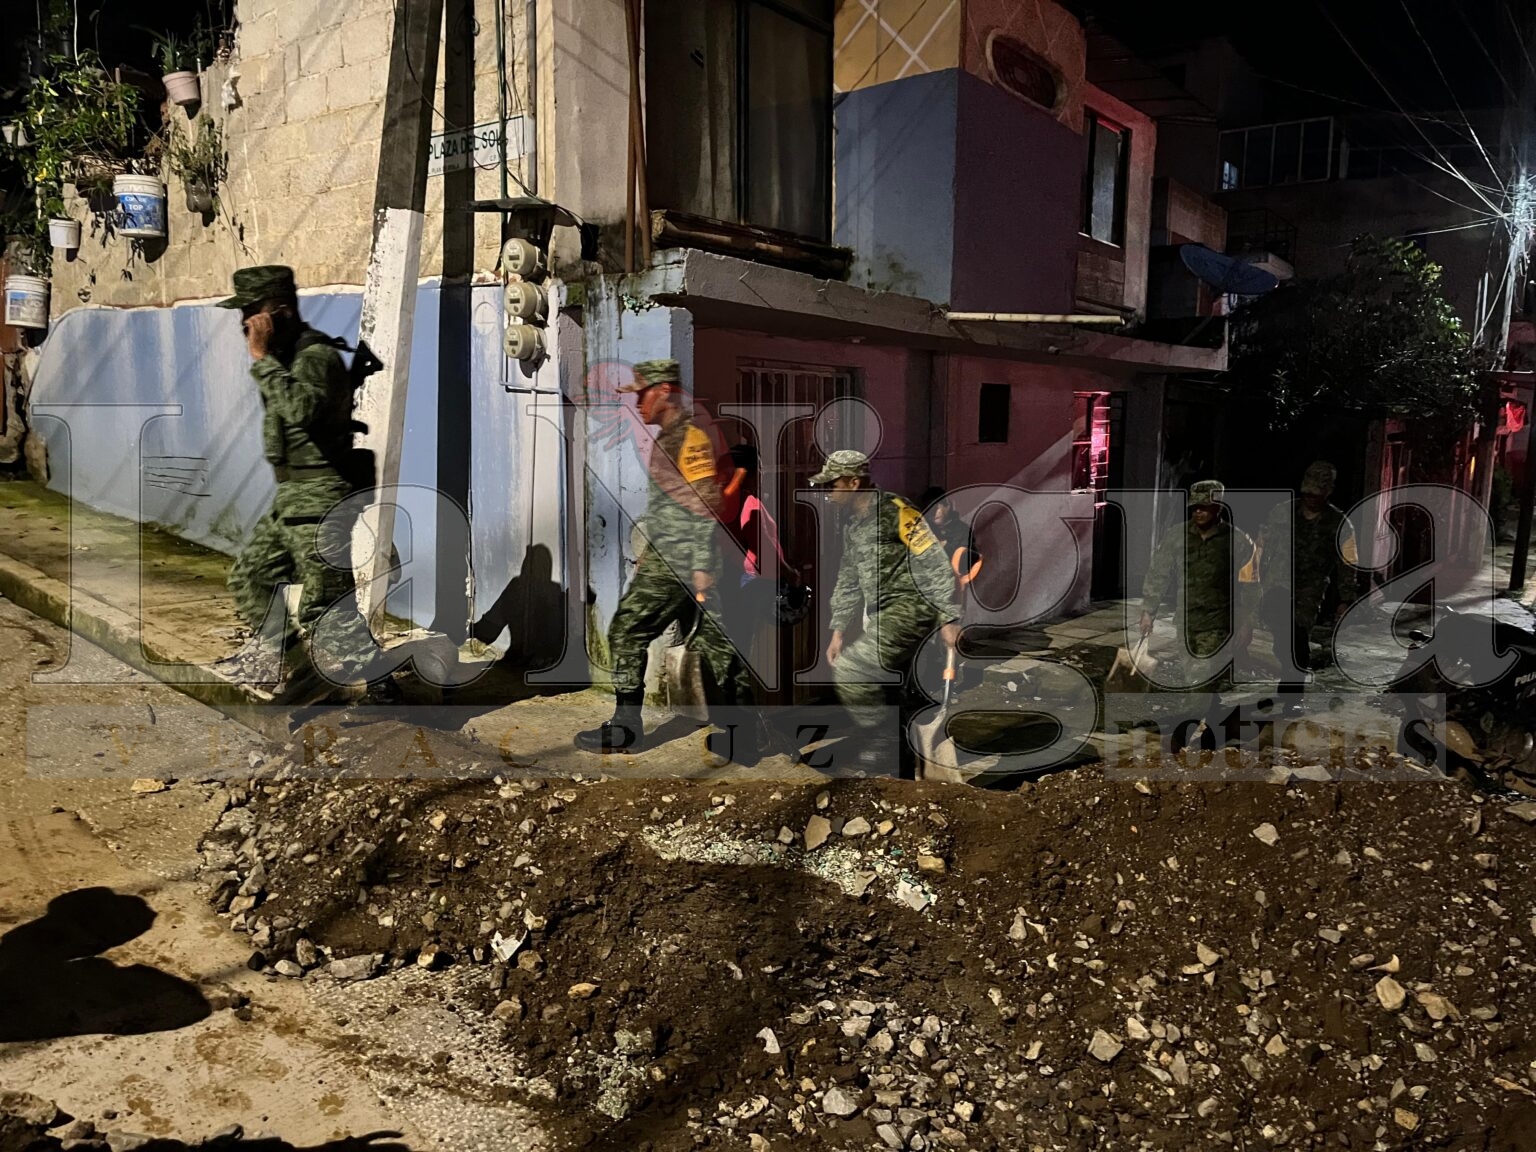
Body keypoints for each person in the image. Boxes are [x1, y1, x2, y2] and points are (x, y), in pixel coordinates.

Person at [575, 359, 764, 762]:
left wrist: (697, 568)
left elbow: (703, 504)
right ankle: (745, 736)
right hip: (676, 556)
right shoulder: (675, 436)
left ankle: (626, 727)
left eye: (641, 394)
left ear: (662, 392)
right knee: (718, 647)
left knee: (627, 631)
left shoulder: (689, 438)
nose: (638, 403)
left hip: (681, 560)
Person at [220, 265, 390, 705]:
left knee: (326, 606)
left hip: (321, 498)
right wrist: (268, 361)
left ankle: (385, 690)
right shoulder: (287, 357)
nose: (244, 326)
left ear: (280, 311)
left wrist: (261, 362)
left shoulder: (315, 357)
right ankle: (300, 668)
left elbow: (302, 409)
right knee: (252, 576)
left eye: (252, 315)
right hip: (293, 497)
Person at [817, 451, 961, 771]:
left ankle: (881, 743)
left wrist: (949, 617)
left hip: (912, 606)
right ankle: (904, 769)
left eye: (832, 483)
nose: (827, 491)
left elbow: (934, 559)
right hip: (881, 613)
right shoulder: (852, 525)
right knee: (894, 690)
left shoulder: (897, 511)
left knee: (853, 671)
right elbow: (848, 578)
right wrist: (838, 631)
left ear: (853, 483)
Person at [1139, 479, 1256, 751]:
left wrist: (1247, 622)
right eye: (1194, 508)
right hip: (1186, 623)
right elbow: (1159, 573)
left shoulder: (1238, 542)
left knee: (1201, 680)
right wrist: (1148, 610)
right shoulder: (1176, 537)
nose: (1198, 512)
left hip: (1220, 625)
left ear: (1217, 507)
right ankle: (1218, 729)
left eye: (1204, 507)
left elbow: (1251, 586)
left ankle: (1182, 731)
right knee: (1197, 680)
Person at [1261, 460, 1358, 698]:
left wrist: (1345, 599)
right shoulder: (1282, 512)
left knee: (1298, 636)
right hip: (1277, 585)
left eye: (1316, 493)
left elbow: (1347, 564)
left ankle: (1292, 692)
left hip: (1309, 591)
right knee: (1281, 641)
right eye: (1307, 492)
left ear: (1327, 492)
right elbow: (1264, 549)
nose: (1310, 497)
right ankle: (1291, 674)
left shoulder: (1340, 524)